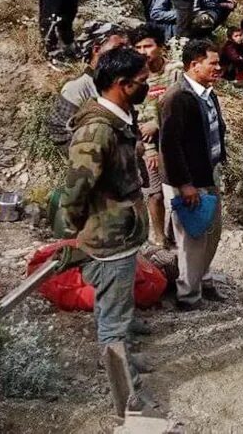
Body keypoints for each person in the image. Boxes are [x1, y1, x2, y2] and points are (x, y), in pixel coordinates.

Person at [60, 47, 151, 389]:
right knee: (113, 318)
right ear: (122, 84)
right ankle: (125, 391)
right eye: (143, 81)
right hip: (109, 236)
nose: (148, 84)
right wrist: (75, 229)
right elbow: (75, 190)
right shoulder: (97, 130)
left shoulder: (122, 117)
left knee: (118, 302)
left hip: (121, 231)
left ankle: (124, 355)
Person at [159, 39, 226, 311]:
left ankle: (203, 280)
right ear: (194, 64)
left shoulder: (208, 94)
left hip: (208, 175)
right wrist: (184, 184)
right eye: (213, 63)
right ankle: (188, 294)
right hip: (188, 181)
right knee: (191, 239)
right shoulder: (177, 97)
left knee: (212, 234)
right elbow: (170, 146)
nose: (218, 68)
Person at [131, 25, 182, 247]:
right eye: (139, 47)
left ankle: (178, 235)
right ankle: (159, 236)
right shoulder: (137, 78)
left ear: (160, 47)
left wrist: (157, 123)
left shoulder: (175, 71)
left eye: (148, 46)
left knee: (180, 191)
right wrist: (150, 149)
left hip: (175, 141)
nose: (144, 51)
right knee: (156, 193)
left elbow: (179, 104)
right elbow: (139, 116)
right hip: (150, 145)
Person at [48, 25, 130, 147]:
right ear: (96, 50)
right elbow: (59, 133)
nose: (125, 53)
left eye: (126, 48)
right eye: (117, 48)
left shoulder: (125, 83)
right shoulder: (76, 88)